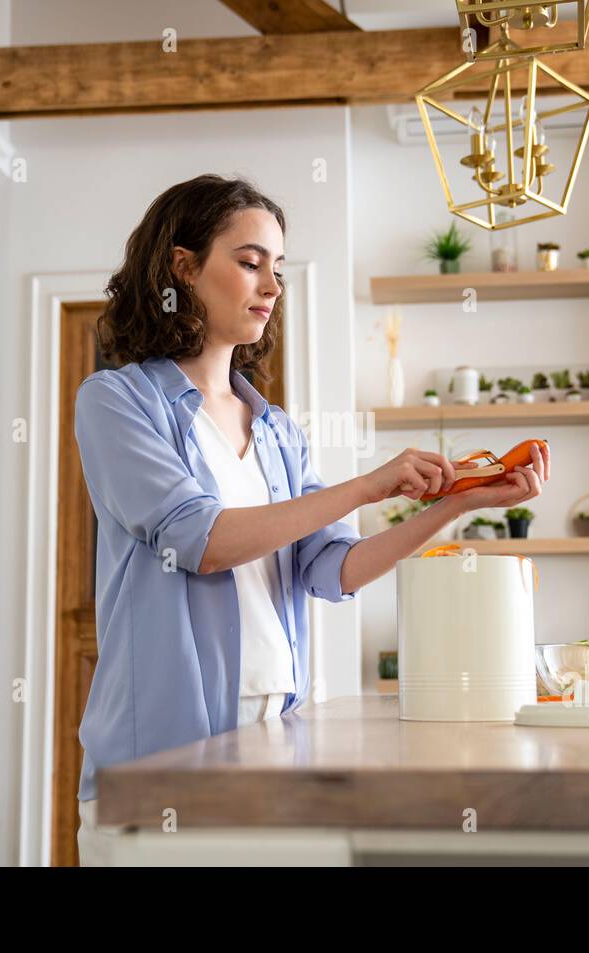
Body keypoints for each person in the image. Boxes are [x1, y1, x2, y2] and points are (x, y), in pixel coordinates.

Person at [74, 173, 550, 865]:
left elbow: (334, 568)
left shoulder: (278, 433)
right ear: (183, 266)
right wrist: (365, 485)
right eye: (248, 261)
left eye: (279, 268)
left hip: (273, 743)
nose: (271, 285)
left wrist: (461, 503)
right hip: (159, 762)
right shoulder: (117, 402)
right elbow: (202, 540)